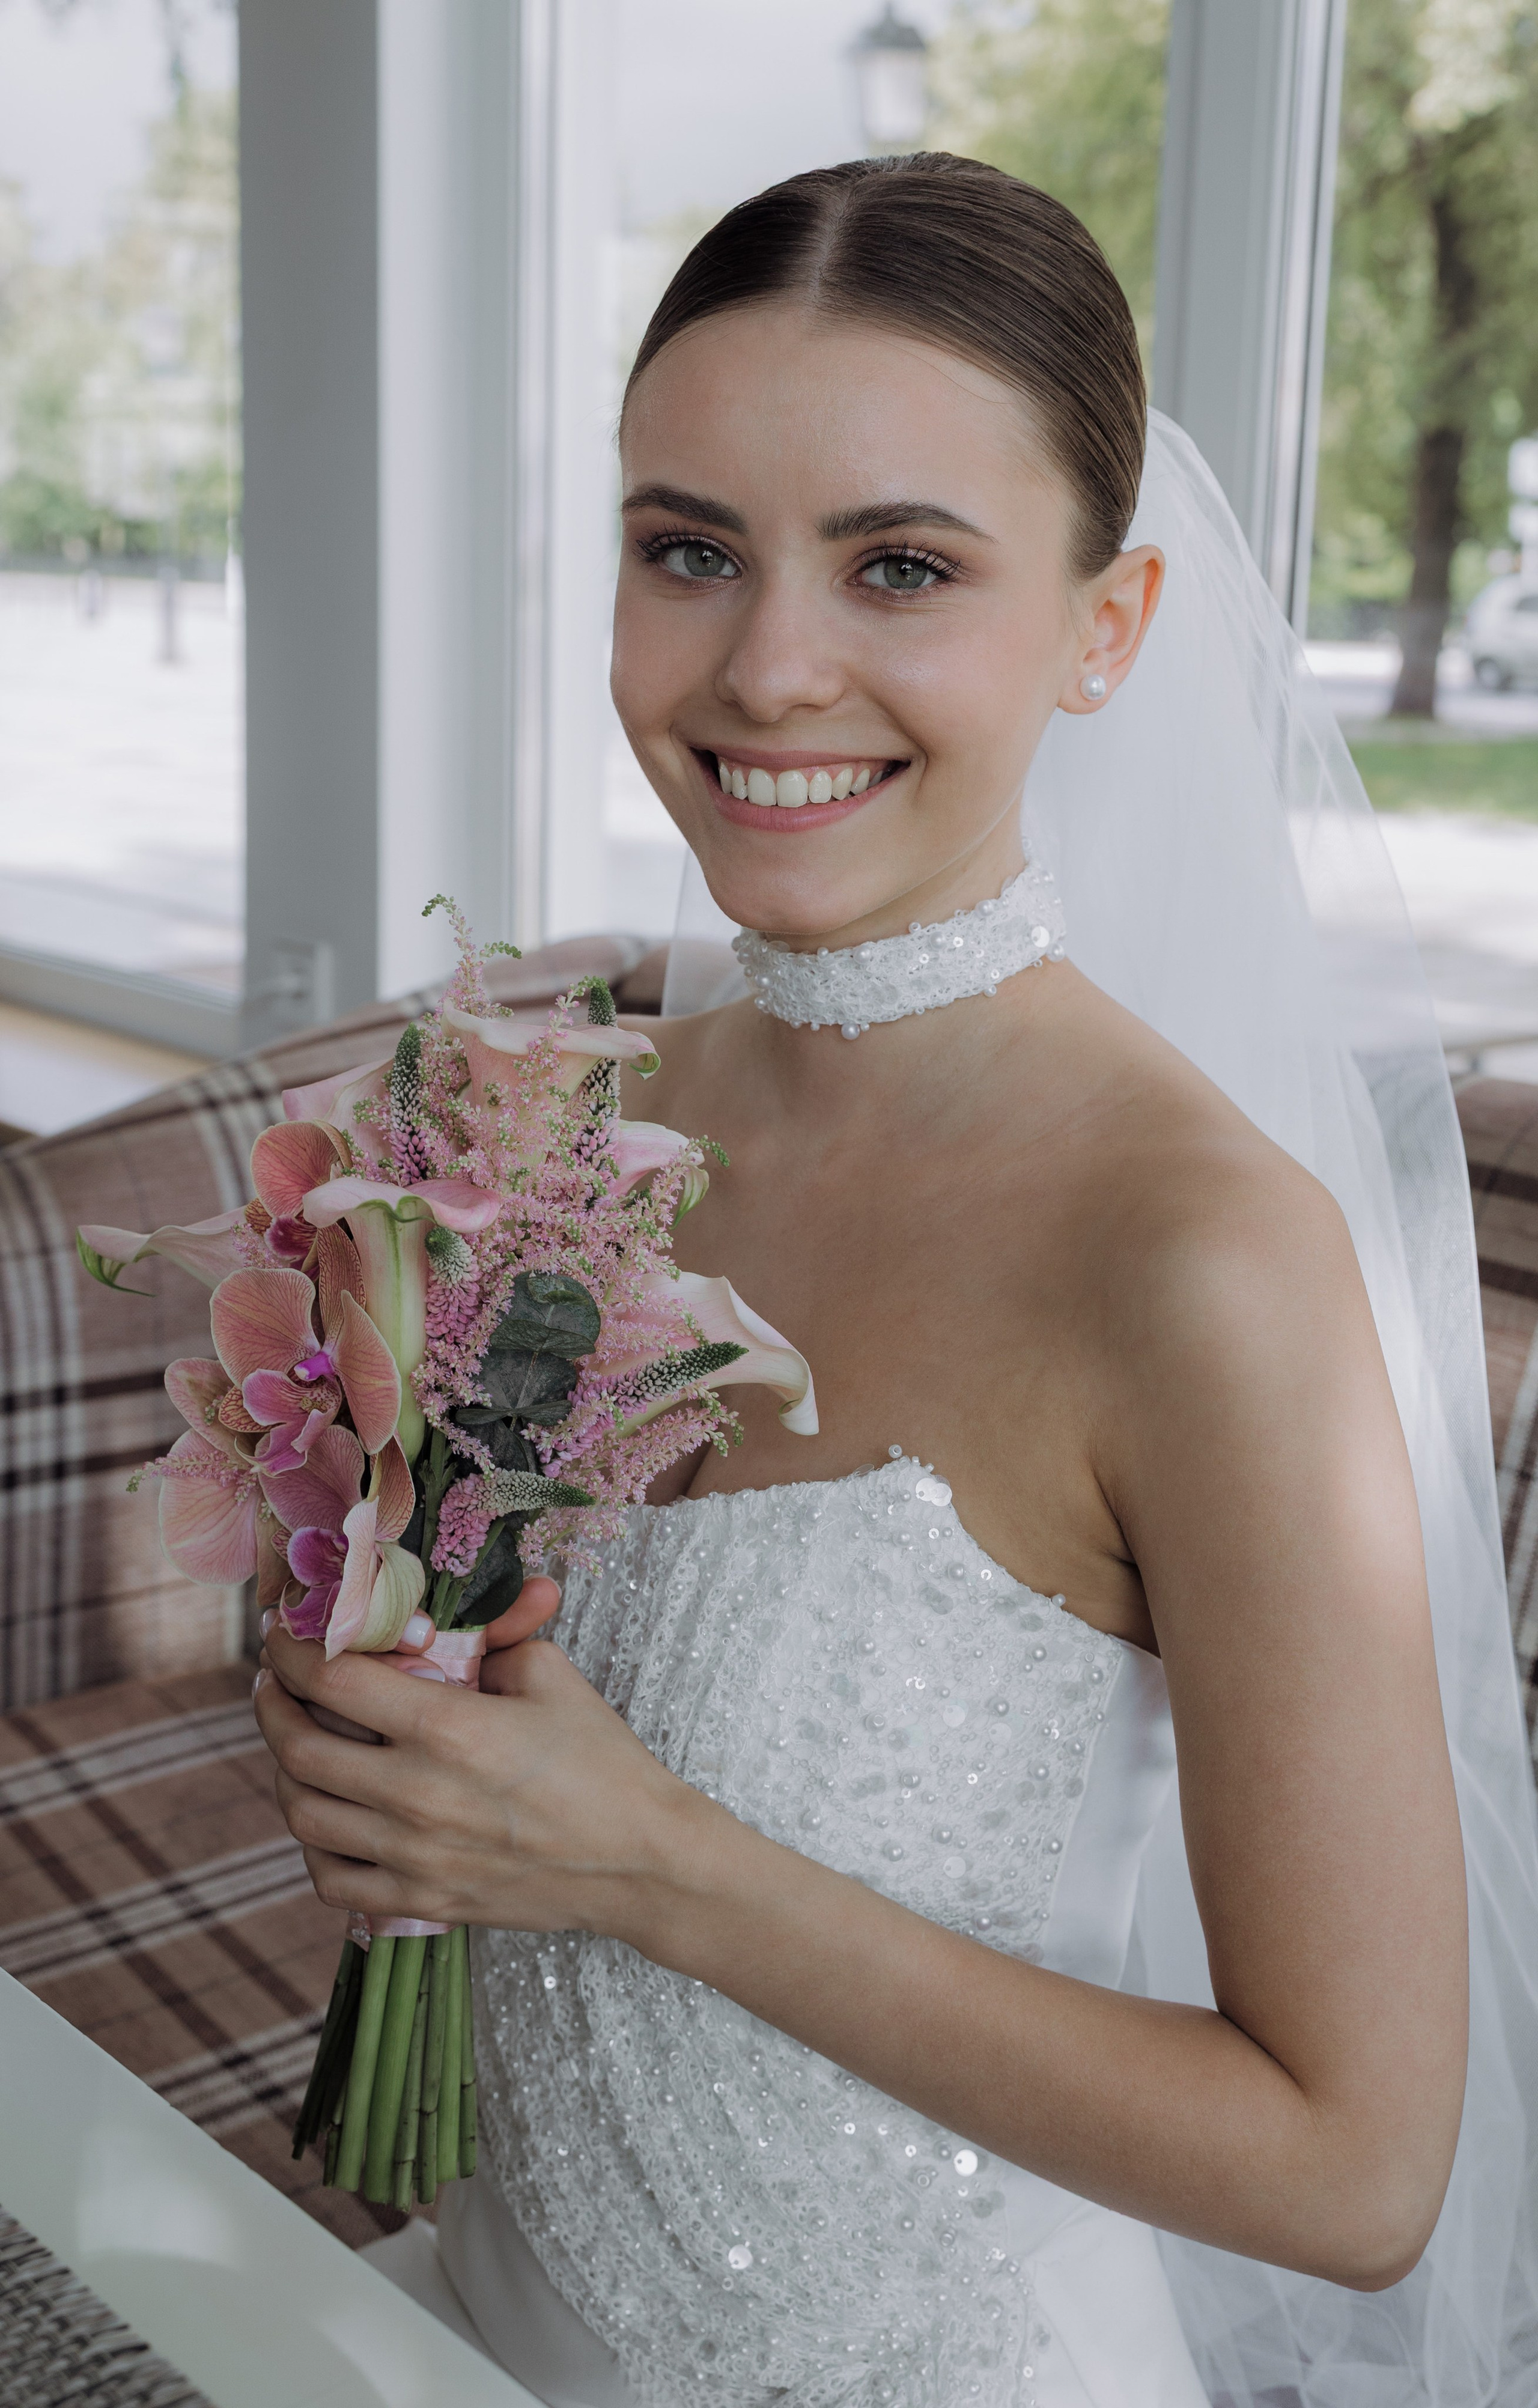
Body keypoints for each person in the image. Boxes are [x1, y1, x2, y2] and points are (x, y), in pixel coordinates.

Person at [253, 157, 1538, 2407]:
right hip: (481, 2323)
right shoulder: (550, 1137)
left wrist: (649, 1867)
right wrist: (389, 1743)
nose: (767, 669)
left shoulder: (1207, 1261)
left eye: (903, 566)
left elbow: (1357, 2175)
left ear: (1108, 626)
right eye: (689, 551)